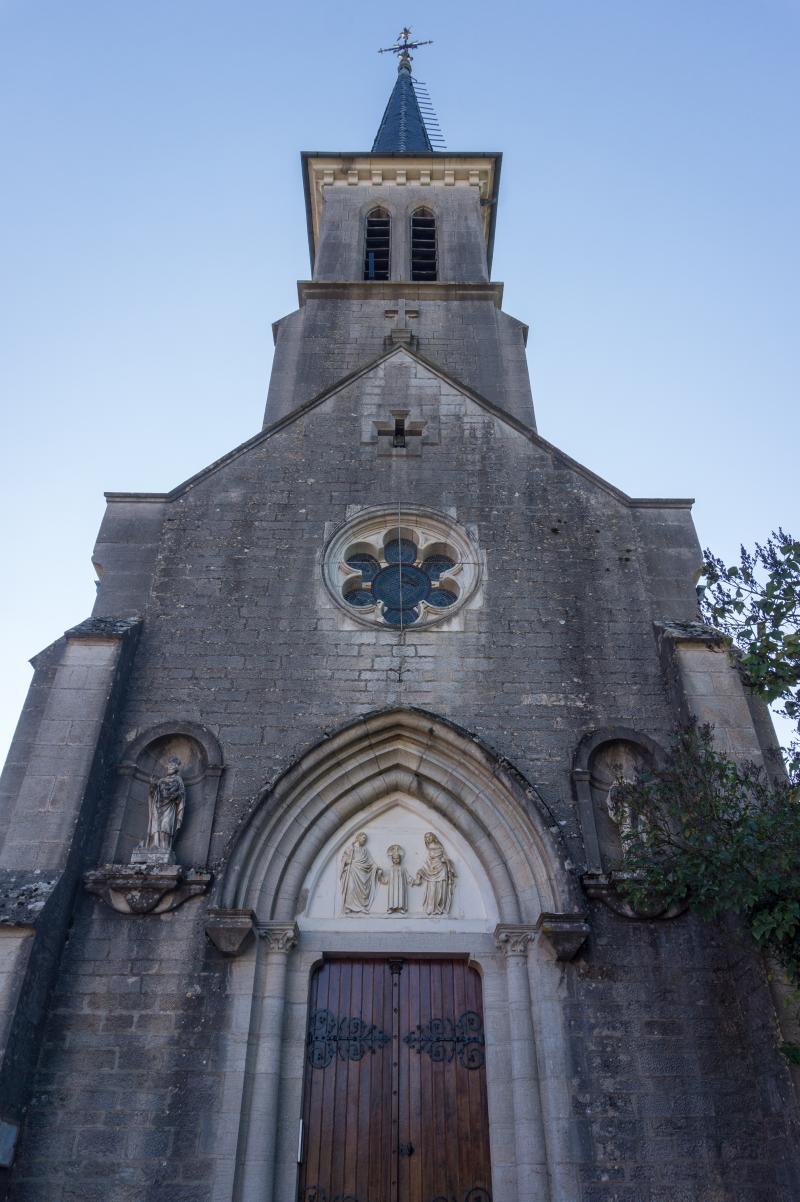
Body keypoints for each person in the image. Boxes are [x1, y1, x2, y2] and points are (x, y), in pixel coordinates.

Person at [141, 757, 185, 858]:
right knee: (156, 826)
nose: (170, 767)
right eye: (169, 765)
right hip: (158, 805)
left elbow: (182, 794)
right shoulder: (161, 781)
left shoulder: (178, 780)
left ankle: (165, 847)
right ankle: (155, 846)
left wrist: (175, 795)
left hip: (170, 805)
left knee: (166, 826)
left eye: (172, 766)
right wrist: (152, 786)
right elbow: (153, 794)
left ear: (176, 768)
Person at [339, 832, 384, 913]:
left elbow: (370, 861)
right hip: (352, 871)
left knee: (363, 891)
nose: (364, 840)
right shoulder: (350, 848)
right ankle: (348, 906)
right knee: (351, 888)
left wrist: (376, 867)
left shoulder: (364, 850)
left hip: (362, 873)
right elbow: (344, 860)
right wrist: (348, 861)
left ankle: (361, 907)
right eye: (363, 838)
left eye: (365, 839)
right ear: (358, 837)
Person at [413, 832, 456, 916]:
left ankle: (439, 908)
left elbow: (445, 858)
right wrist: (422, 870)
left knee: (441, 889)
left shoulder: (440, 847)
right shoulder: (429, 849)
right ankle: (431, 907)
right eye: (426, 837)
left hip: (441, 869)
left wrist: (446, 861)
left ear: (433, 837)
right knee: (432, 889)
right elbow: (428, 861)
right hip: (431, 869)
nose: (428, 839)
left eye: (429, 837)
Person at [385, 844, 412, 913]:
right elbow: (386, 879)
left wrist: (412, 880)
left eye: (397, 858)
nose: (396, 860)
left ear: (400, 859)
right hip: (392, 886)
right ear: (392, 859)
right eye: (394, 858)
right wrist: (379, 876)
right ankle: (391, 908)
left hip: (400, 886)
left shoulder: (403, 868)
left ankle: (400, 908)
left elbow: (408, 876)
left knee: (400, 896)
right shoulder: (391, 868)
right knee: (392, 896)